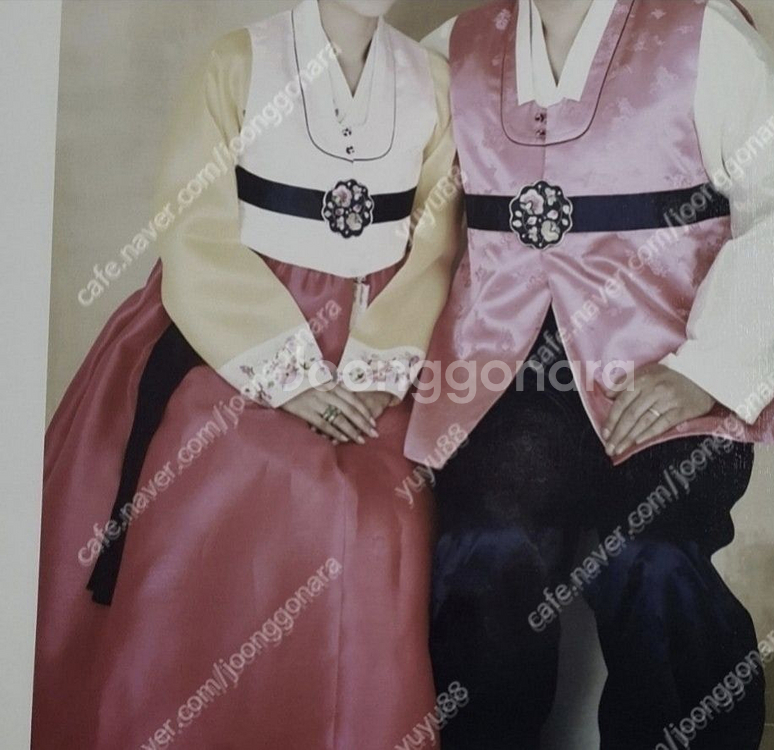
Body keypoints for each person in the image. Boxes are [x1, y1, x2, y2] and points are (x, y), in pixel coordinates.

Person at [410, 1, 774, 748]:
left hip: (666, 370)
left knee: (651, 554)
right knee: (488, 548)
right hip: (503, 378)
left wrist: (708, 369)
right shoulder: (457, 45)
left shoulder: (700, 35)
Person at [32, 1, 461, 747]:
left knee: (376, 510)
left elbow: (434, 244)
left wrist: (373, 368)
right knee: (235, 471)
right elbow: (194, 222)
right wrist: (289, 373)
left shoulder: (433, 80)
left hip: (375, 339)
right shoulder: (237, 62)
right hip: (233, 324)